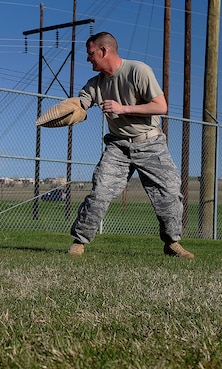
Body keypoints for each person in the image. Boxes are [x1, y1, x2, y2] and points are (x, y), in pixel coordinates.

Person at [69, 32, 194, 258]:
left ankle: (172, 243)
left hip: (151, 143)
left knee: (169, 195)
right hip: (117, 147)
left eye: (91, 54)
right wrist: (72, 110)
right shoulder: (94, 84)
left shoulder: (138, 71)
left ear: (104, 51)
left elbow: (160, 106)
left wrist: (122, 109)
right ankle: (79, 242)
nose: (88, 59)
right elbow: (81, 103)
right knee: (99, 193)